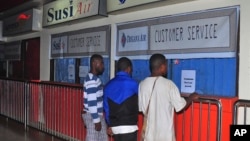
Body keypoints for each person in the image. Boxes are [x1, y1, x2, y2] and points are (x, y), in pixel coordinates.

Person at [138, 53, 199, 141]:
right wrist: (191, 97)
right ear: (162, 66)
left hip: (149, 136)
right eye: (166, 65)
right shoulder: (169, 84)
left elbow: (141, 108)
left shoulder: (142, 84)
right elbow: (180, 106)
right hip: (165, 135)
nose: (167, 67)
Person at [104, 57, 139, 141]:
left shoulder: (108, 85)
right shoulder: (134, 84)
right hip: (129, 127)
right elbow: (140, 103)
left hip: (115, 128)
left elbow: (106, 109)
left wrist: (110, 125)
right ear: (129, 69)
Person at [82, 54, 108, 141]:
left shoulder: (94, 79)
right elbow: (92, 102)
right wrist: (96, 120)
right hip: (93, 115)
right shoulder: (92, 80)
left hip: (96, 115)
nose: (103, 66)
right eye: (101, 63)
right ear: (94, 63)